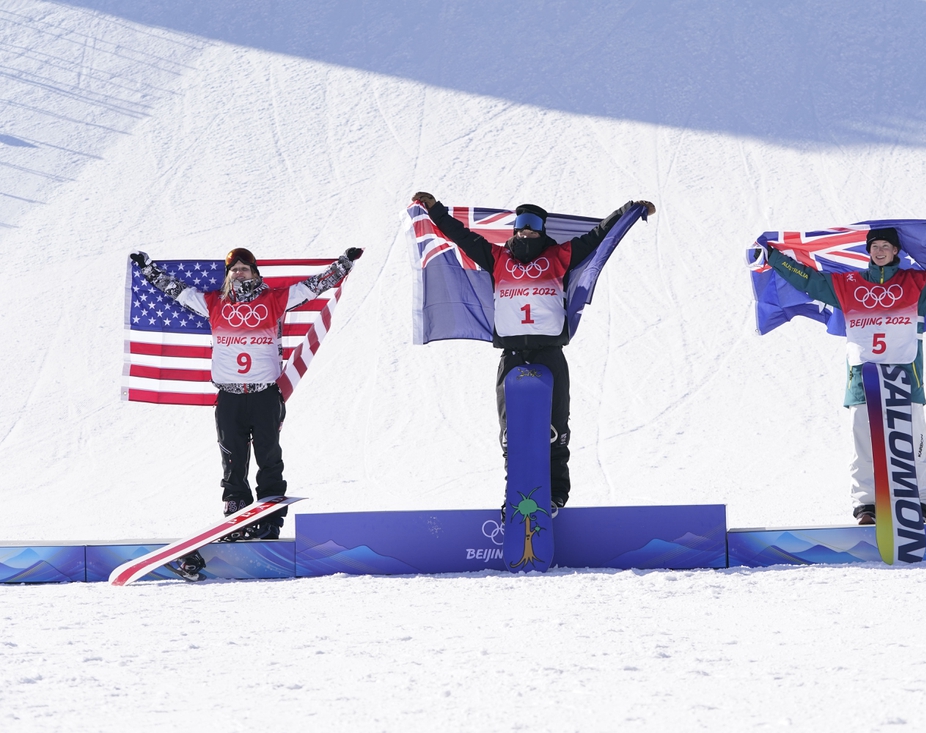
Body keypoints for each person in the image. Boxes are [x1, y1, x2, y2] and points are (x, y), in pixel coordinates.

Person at [411, 192, 655, 514]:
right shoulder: (496, 256)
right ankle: (515, 496)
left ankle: (554, 496)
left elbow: (600, 234)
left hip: (549, 352)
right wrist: (434, 209)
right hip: (511, 355)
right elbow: (459, 235)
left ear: (542, 230)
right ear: (514, 230)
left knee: (554, 431)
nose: (526, 231)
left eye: (533, 225)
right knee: (511, 436)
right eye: (521, 225)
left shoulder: (560, 255)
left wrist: (630, 209)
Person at [130, 246, 361, 572]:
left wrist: (344, 263)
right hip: (229, 397)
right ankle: (236, 514)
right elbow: (176, 290)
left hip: (264, 395)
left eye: (244, 268)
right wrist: (148, 269)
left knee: (269, 456)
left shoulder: (275, 300)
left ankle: (269, 517)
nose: (239, 273)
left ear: (255, 273)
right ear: (228, 275)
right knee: (232, 458)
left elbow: (315, 285)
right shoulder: (213, 303)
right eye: (234, 269)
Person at [761, 216, 926, 524]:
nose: (880, 251)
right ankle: (867, 506)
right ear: (868, 251)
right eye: (875, 246)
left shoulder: (917, 284)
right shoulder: (849, 285)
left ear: (897, 251)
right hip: (864, 380)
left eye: (886, 246)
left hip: (906, 377)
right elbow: (808, 280)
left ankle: (917, 501)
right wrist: (774, 259)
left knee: (912, 442)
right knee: (863, 445)